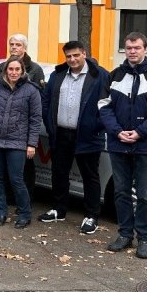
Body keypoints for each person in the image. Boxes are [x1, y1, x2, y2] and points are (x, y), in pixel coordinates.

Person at [99, 32, 147, 260]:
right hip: (119, 142)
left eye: (137, 47)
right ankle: (124, 234)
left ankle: (144, 239)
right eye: (129, 48)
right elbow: (103, 106)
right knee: (121, 192)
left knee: (145, 194)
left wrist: (140, 132)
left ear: (145, 49)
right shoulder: (115, 75)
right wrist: (117, 131)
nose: (132, 51)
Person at [40, 40, 110, 234]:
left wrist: (96, 126)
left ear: (84, 54)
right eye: (68, 56)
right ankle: (59, 209)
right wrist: (50, 125)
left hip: (88, 136)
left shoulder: (100, 76)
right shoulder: (58, 75)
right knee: (59, 173)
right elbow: (46, 101)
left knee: (90, 176)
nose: (72, 59)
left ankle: (91, 216)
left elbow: (109, 105)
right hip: (61, 134)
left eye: (76, 55)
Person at [0, 56, 42, 229]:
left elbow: (35, 119)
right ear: (5, 71)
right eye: (10, 69)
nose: (13, 72)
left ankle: (25, 214)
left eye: (17, 69)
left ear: (22, 71)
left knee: (16, 179)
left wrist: (32, 144)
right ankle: (1, 212)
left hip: (17, 142)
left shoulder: (31, 90)